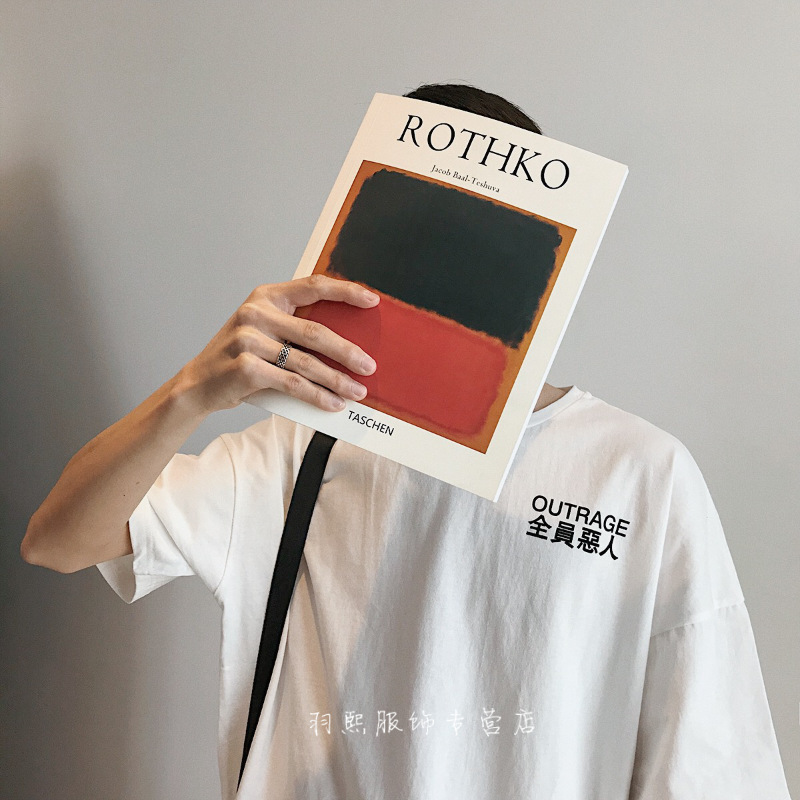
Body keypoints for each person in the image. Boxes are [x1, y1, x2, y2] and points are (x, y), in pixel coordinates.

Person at [21, 84, 791, 800]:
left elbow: (713, 763)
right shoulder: (298, 453)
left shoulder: (640, 473)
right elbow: (58, 539)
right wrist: (193, 392)